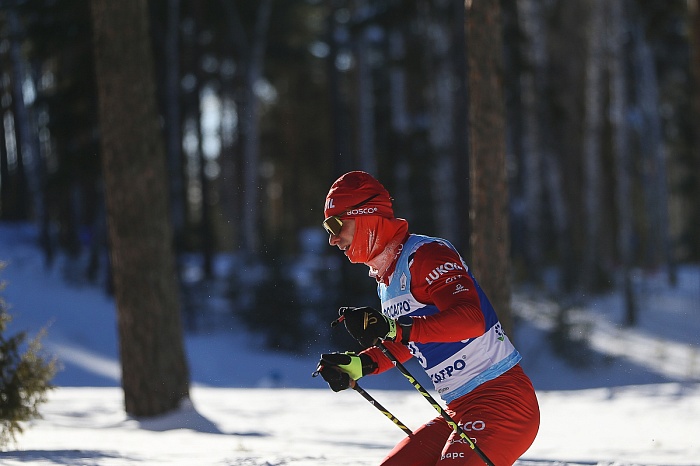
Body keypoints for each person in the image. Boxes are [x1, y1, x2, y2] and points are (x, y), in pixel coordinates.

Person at [316, 171, 540, 465]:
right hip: (459, 408)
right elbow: (410, 339)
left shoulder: (427, 255)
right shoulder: (387, 278)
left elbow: (472, 320)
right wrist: (361, 364)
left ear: (366, 215)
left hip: (502, 400)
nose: (333, 239)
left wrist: (394, 328)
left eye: (336, 225)